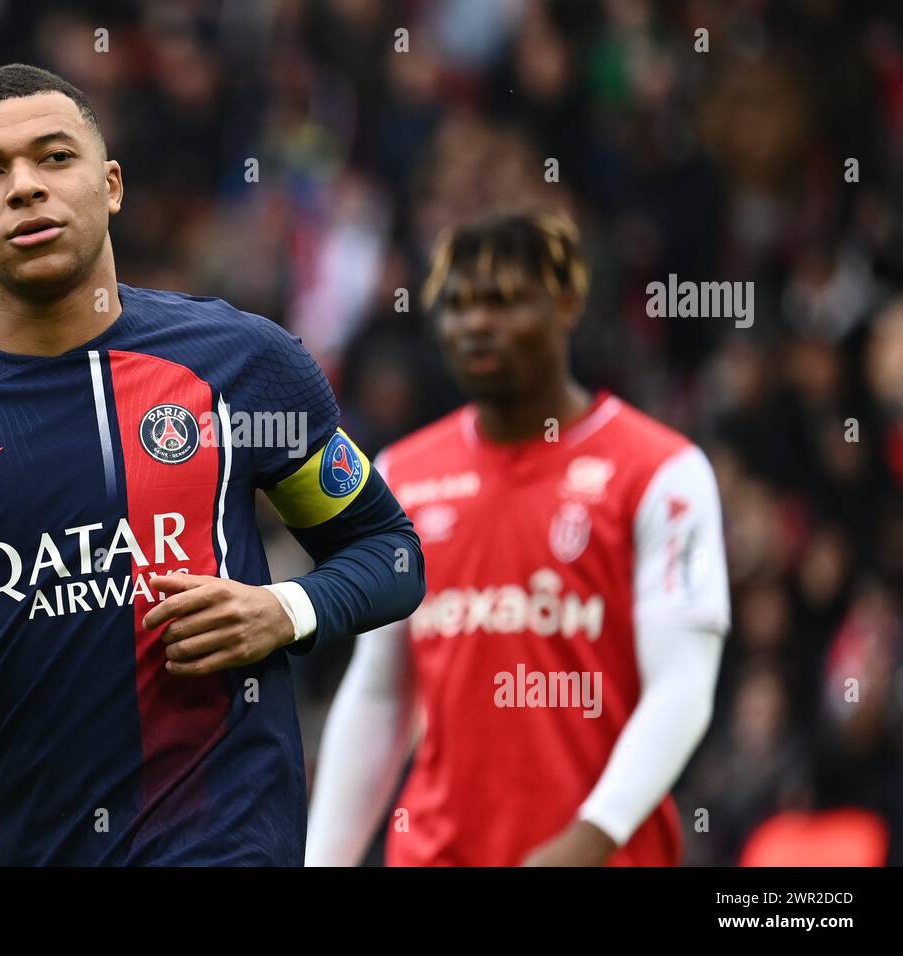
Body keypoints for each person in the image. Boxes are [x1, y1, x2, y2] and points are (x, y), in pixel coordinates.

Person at [0, 63, 424, 866]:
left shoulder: (241, 364)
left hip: (219, 844)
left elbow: (388, 552)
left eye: (54, 158)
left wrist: (286, 610)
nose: (26, 188)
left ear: (110, 185)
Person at [305, 210, 730, 866]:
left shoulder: (661, 472)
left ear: (566, 304)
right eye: (459, 304)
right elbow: (381, 691)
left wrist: (588, 840)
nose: (475, 323)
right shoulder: (399, 477)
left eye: (504, 302)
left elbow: (683, 687)